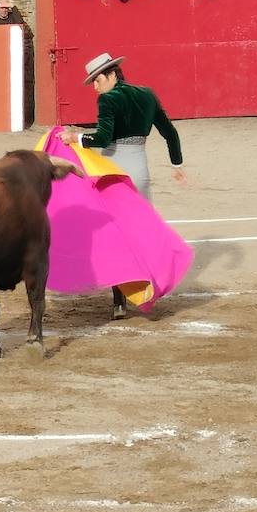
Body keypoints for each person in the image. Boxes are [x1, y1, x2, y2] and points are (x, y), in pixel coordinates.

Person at [74, 52, 185, 320]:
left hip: (114, 171)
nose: (96, 88)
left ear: (111, 74)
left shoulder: (108, 99)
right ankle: (150, 286)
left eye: (97, 80)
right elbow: (170, 132)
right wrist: (176, 165)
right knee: (139, 232)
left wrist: (75, 137)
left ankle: (119, 301)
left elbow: (102, 138)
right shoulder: (147, 94)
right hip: (141, 170)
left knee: (114, 236)